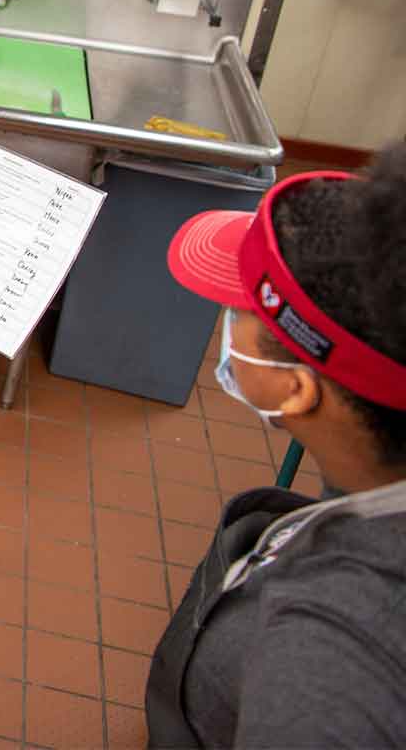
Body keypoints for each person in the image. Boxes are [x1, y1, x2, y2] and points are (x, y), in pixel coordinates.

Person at [147, 144, 406, 748]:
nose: (223, 319)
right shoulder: (376, 479)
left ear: (294, 390)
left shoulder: (329, 675)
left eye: (237, 306)